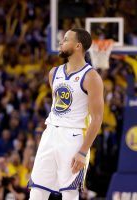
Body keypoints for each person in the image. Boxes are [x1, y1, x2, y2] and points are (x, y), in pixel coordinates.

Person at [28, 28, 104, 200]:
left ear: (78, 46)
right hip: (50, 133)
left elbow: (97, 118)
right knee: (37, 190)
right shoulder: (54, 73)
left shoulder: (91, 77)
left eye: (66, 39)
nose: (61, 43)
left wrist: (83, 151)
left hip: (73, 136)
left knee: (69, 193)